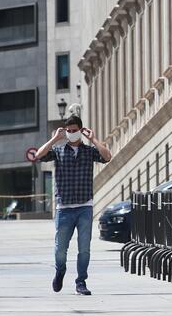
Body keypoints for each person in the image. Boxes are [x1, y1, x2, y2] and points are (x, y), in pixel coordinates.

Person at [34, 115, 112, 295]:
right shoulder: (58, 151)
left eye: (74, 130)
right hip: (64, 208)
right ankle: (60, 271)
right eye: (68, 131)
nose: (71, 133)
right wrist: (55, 138)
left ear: (81, 130)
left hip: (85, 207)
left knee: (84, 248)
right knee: (60, 249)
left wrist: (93, 139)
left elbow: (107, 156)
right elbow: (39, 155)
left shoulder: (89, 151)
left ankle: (81, 282)